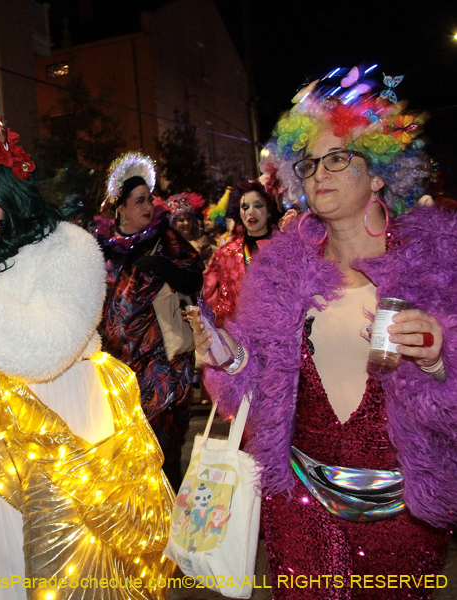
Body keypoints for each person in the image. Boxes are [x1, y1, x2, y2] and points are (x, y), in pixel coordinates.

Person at [194, 67, 456, 599]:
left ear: (380, 172)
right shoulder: (278, 273)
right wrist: (229, 359)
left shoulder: (438, 266)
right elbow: (258, 390)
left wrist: (438, 360)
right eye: (309, 163)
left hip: (406, 512)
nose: (319, 173)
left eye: (338, 158)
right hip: (300, 504)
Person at [0, 103, 175, 600]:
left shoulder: (69, 247)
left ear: (9, 191)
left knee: (64, 565)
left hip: (63, 420)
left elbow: (52, 347)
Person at [98, 152, 204, 490]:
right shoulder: (103, 249)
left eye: (149, 199)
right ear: (121, 207)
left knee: (166, 446)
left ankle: (173, 524)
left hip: (163, 362)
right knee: (129, 450)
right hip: (118, 365)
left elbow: (194, 278)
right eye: (139, 200)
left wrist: (166, 269)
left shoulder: (166, 239)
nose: (148, 207)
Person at [201, 180, 283, 327]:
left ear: (269, 210)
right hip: (245, 338)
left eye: (258, 205)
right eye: (245, 207)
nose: (251, 212)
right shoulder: (226, 255)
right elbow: (221, 302)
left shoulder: (287, 247)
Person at [167, 192, 214, 263]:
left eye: (188, 219)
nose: (186, 223)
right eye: (181, 220)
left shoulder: (203, 239)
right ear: (174, 223)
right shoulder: (171, 247)